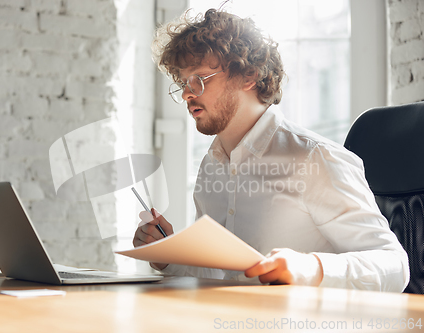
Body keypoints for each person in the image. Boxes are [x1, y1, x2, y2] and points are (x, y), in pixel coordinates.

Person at [133, 8, 409, 291]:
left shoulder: (314, 158)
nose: (187, 93)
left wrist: (310, 268)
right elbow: (220, 274)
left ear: (248, 75)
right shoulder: (212, 165)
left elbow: (394, 266)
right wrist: (167, 258)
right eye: (183, 82)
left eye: (200, 79)